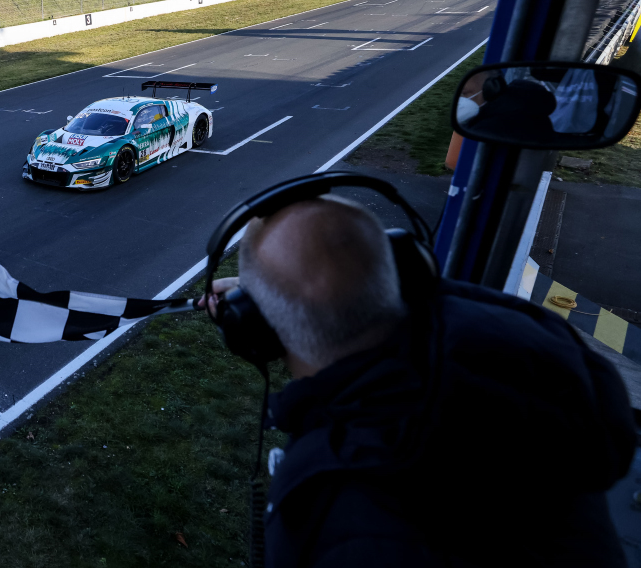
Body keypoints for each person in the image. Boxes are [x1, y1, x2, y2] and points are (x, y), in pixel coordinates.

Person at [198, 196, 635, 567]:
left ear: (256, 331)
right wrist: (278, 292)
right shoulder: (521, 343)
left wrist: (269, 303)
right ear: (405, 266)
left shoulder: (347, 515)